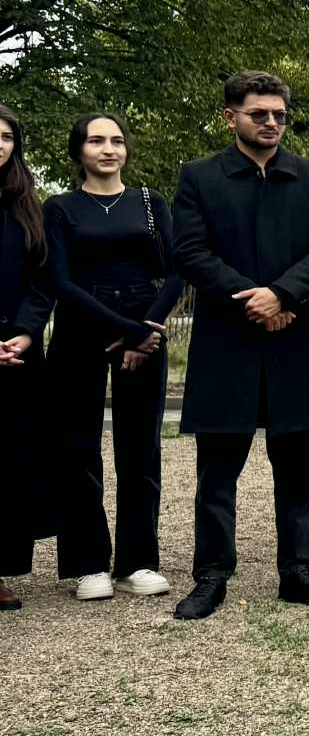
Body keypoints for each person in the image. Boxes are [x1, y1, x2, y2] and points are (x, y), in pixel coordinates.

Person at [170, 70, 309, 620]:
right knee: (218, 472)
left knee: (298, 469)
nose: (271, 123)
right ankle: (212, 575)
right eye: (259, 114)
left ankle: (297, 570)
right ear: (231, 117)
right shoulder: (200, 177)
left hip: (296, 340)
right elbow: (190, 252)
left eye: (278, 115)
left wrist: (284, 295)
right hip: (229, 341)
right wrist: (252, 299)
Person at [43, 114, 184, 601]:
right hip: (82, 330)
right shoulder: (60, 208)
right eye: (97, 140)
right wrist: (124, 331)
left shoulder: (149, 202)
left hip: (145, 328)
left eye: (117, 140)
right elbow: (60, 281)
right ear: (78, 150)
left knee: (140, 448)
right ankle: (87, 565)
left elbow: (176, 272)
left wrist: (145, 332)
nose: (109, 149)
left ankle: (138, 561)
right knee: (78, 449)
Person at [0, 105, 53, 611]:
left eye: (6, 136)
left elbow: (42, 279)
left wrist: (24, 333)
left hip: (16, 353)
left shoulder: (27, 206)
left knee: (11, 461)